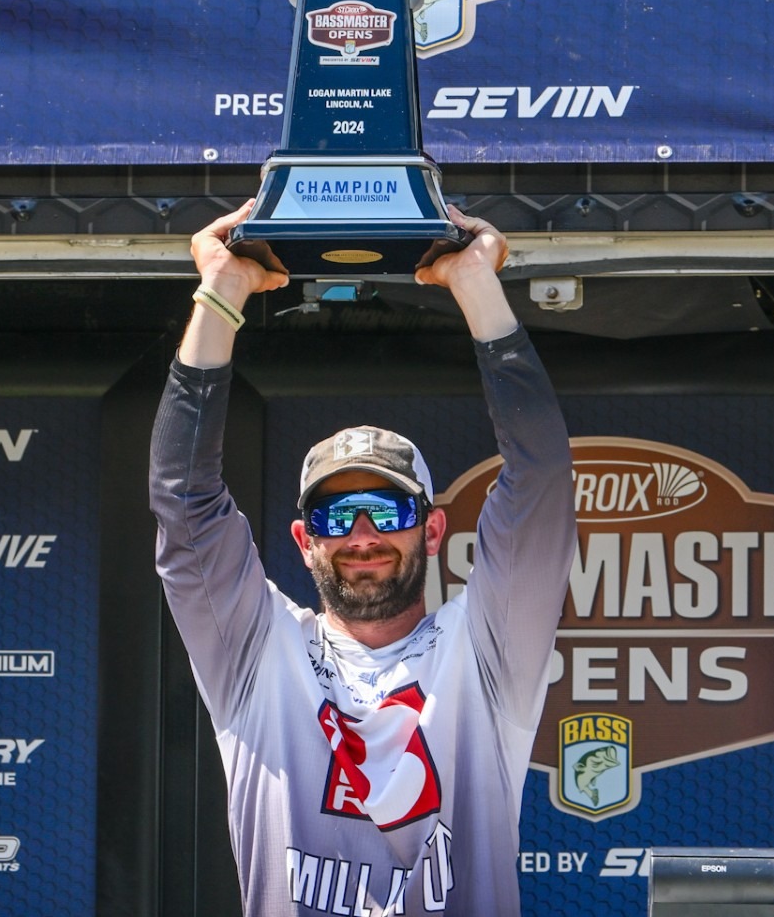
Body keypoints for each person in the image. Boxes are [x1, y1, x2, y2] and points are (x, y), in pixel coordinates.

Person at [150, 201, 577, 916]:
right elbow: (183, 499)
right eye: (334, 515)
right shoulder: (259, 653)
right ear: (304, 540)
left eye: (387, 511)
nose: (361, 534)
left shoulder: (484, 653)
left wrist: (475, 281)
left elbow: (540, 483)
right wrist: (221, 291)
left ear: (432, 531)